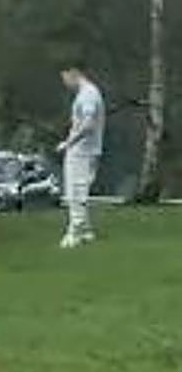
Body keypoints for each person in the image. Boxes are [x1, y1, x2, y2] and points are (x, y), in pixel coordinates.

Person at [57, 65, 105, 248]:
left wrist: (69, 143)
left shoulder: (88, 95)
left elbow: (88, 124)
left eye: (64, 77)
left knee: (75, 192)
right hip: (86, 150)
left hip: (82, 152)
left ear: (73, 73)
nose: (64, 82)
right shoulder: (88, 93)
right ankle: (85, 230)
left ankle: (74, 233)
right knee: (80, 191)